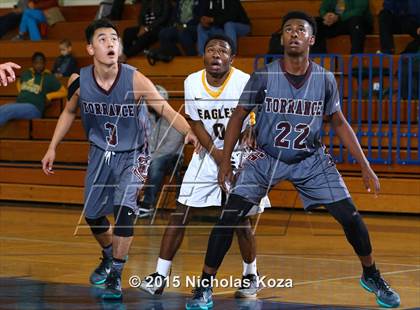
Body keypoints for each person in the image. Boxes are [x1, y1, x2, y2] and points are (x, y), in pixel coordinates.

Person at [185, 11, 401, 310]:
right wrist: (224, 162)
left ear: (311, 38)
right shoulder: (264, 75)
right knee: (228, 218)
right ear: (282, 37)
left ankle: (372, 274)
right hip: (266, 155)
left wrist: (364, 164)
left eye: (301, 29)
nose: (294, 33)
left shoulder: (324, 78)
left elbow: (338, 122)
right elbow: (237, 116)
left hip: (309, 158)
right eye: (288, 29)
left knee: (350, 216)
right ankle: (204, 286)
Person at [40, 19, 199, 301]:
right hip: (100, 153)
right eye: (102, 39)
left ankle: (116, 273)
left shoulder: (134, 78)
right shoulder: (79, 81)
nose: (111, 43)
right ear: (90, 48)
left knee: (125, 211)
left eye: (114, 38)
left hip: (135, 153)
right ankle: (107, 254)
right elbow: (68, 112)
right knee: (92, 215)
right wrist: (52, 147)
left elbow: (163, 108)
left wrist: (189, 132)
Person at [140, 34, 270, 300]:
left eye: (223, 50)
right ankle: (159, 275)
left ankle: (250, 276)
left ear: (231, 59)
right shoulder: (192, 82)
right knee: (181, 211)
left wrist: (254, 128)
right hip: (209, 151)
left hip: (241, 154)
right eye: (211, 49)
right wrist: (217, 155)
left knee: (240, 219)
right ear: (204, 56)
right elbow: (195, 122)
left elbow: (263, 109)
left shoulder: (245, 81)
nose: (216, 54)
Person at [139, 84, 185, 213]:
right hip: (151, 157)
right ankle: (129, 202)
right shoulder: (145, 118)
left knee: (156, 164)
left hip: (173, 158)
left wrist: (149, 159)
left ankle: (148, 204)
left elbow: (170, 148)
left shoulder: (175, 119)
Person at [0, 52, 64, 127]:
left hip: (34, 108)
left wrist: (50, 96)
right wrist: (22, 92)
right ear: (33, 63)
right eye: (36, 63)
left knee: (9, 109)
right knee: (3, 108)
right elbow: (19, 82)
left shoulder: (49, 77)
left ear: (44, 63)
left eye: (41, 63)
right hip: (19, 104)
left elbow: (64, 91)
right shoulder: (27, 74)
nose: (39, 65)